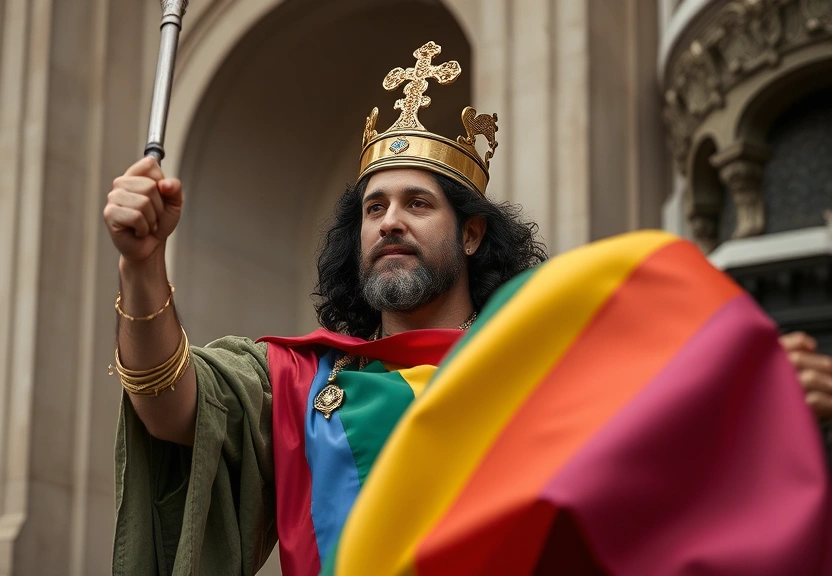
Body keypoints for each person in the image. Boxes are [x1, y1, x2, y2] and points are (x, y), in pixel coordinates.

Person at [104, 42, 832, 576]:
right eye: (374, 207)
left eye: (417, 204)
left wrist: (755, 400)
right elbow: (168, 405)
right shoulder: (297, 379)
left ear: (472, 232)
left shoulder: (539, 367)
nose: (389, 221)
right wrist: (143, 265)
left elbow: (654, 461)